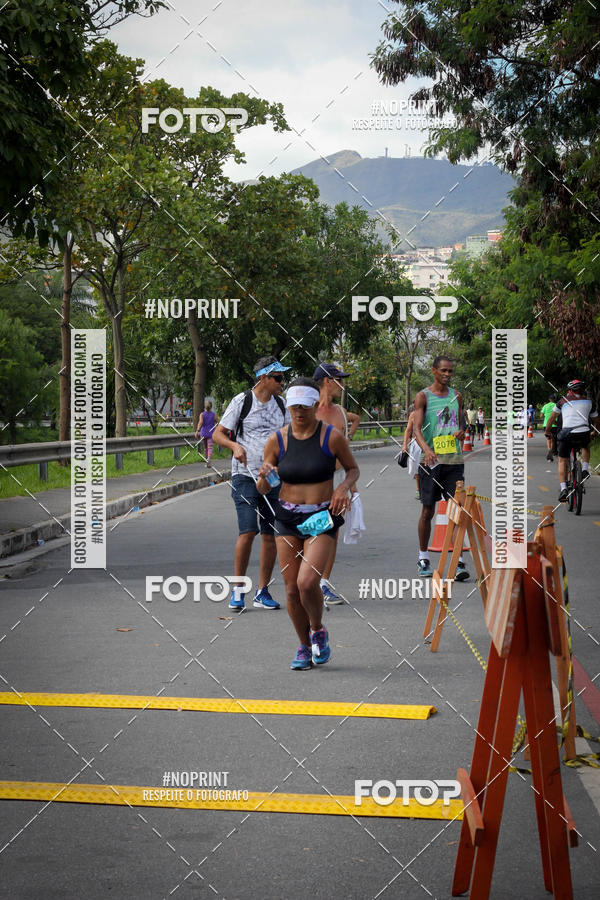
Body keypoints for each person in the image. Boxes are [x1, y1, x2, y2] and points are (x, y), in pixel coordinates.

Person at [257, 378, 359, 669]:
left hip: (320, 517)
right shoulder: (278, 440)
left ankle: (317, 629)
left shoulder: (331, 438)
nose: (299, 411)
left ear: (316, 405)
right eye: (294, 406)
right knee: (290, 590)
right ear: (288, 407)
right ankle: (303, 646)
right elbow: (264, 488)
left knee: (306, 582)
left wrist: (342, 488)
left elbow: (352, 469)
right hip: (287, 517)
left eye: (305, 405)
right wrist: (264, 476)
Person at [212, 356, 291, 610]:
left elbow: (289, 437)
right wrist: (234, 445)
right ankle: (237, 590)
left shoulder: (282, 405)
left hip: (272, 478)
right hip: (244, 475)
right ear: (263, 378)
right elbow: (217, 433)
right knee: (248, 531)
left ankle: (262, 591)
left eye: (283, 377)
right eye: (278, 378)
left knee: (271, 534)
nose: (282, 382)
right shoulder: (242, 401)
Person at [412, 356, 470, 581]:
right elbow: (417, 429)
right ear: (434, 370)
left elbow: (461, 421)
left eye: (450, 371)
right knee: (428, 511)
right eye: (443, 370)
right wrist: (427, 449)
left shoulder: (457, 396)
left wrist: (462, 431)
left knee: (456, 511)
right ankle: (423, 557)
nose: (447, 374)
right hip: (431, 462)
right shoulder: (423, 396)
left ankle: (457, 561)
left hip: (454, 461)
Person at [312, 362, 359, 606]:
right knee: (312, 532)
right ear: (327, 381)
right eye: (339, 379)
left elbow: (346, 456)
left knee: (332, 532)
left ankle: (323, 583)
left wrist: (352, 487)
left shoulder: (341, 411)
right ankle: (307, 581)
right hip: (312, 481)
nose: (343, 384)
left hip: (338, 481)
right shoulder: (308, 410)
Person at [544, 379, 599, 502]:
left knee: (562, 460)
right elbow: (596, 420)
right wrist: (595, 431)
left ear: (569, 391)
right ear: (583, 391)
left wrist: (547, 431)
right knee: (585, 446)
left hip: (567, 434)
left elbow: (552, 418)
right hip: (583, 433)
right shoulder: (590, 402)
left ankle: (563, 489)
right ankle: (585, 469)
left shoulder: (562, 401)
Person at [401, 403, 420, 499]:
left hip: (427, 443)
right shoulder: (413, 415)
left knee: (427, 466)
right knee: (415, 467)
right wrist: (405, 445)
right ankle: (418, 489)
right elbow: (408, 430)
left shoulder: (429, 413)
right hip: (415, 444)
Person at [195, 400, 218, 466]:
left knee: (205, 448)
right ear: (211, 407)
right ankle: (209, 459)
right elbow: (218, 423)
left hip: (203, 433)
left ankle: (206, 461)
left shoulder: (202, 414)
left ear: (205, 407)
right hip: (211, 433)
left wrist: (197, 431)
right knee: (210, 447)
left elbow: (200, 423)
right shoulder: (214, 414)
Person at [541, 394, 558, 460]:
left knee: (548, 438)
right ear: (555, 399)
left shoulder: (545, 406)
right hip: (554, 425)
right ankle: (553, 451)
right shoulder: (556, 405)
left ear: (549, 399)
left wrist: (546, 416)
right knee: (554, 439)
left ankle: (549, 449)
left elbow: (541, 415)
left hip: (546, 424)